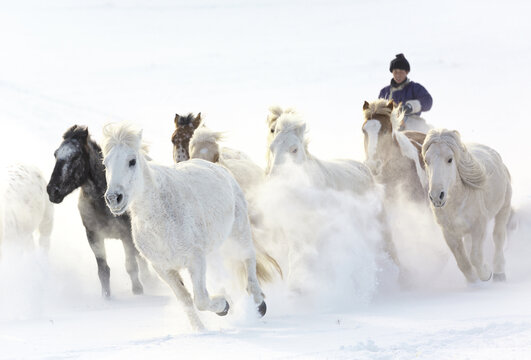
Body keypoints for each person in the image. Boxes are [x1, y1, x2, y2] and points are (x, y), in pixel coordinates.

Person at [379, 53, 433, 132]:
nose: (398, 75)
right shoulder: (385, 91)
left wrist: (411, 106)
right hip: (390, 125)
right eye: (395, 72)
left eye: (401, 72)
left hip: (413, 124)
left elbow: (428, 101)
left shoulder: (415, 88)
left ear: (406, 72)